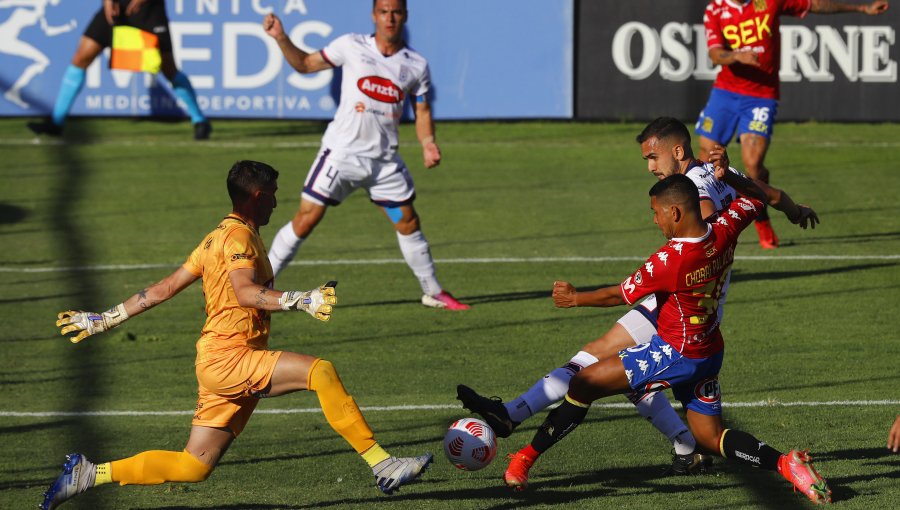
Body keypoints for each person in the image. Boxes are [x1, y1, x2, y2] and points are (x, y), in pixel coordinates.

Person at [39, 161, 431, 510]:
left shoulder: (215, 238)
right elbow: (244, 292)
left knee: (193, 466)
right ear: (257, 196)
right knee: (320, 372)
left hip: (217, 360)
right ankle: (383, 464)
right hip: (231, 358)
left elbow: (162, 289)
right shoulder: (238, 239)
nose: (277, 204)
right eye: (274, 196)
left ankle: (90, 474)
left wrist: (103, 320)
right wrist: (300, 299)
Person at [457, 117, 818, 474]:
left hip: (682, 305)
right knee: (599, 359)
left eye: (652, 157)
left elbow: (703, 234)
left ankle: (517, 427)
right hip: (693, 305)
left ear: (677, 151)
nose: (649, 167)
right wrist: (794, 209)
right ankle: (683, 445)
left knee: (597, 369)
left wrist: (582, 297)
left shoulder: (692, 186)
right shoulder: (718, 170)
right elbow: (761, 195)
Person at [501, 174, 831, 504]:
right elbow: (759, 196)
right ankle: (787, 464)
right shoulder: (725, 225)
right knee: (710, 437)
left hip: (675, 351)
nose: (655, 220)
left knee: (585, 382)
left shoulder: (670, 260)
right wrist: (729, 175)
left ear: (674, 212)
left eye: (655, 212)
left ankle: (525, 458)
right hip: (708, 349)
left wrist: (575, 298)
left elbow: (620, 294)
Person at [262, 0, 469, 311]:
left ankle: (433, 291)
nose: (390, 18)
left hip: (384, 164)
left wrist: (427, 142)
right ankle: (261, 284)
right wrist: (280, 37)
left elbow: (422, 110)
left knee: (408, 221)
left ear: (405, 16)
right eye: (384, 11)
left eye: (396, 12)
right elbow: (304, 64)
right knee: (305, 220)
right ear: (374, 15)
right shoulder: (351, 45)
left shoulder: (416, 65)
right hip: (341, 156)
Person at [696, 0, 888, 249]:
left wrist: (861, 9)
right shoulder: (716, 9)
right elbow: (714, 53)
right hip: (725, 94)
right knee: (705, 157)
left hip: (761, 95)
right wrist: (736, 55)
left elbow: (815, 4)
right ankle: (707, 225)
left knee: (753, 164)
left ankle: (761, 218)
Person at [27, 0, 211, 139]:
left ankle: (199, 120)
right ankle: (56, 122)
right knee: (80, 58)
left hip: (148, 9)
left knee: (169, 69)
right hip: (116, 7)